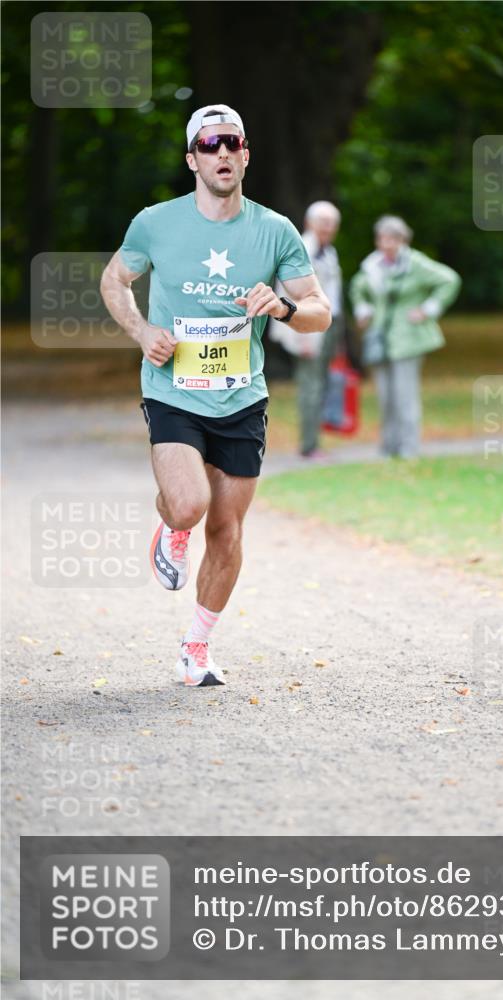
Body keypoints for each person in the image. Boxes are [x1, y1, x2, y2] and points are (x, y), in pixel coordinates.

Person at [100, 104, 331, 687]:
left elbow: (320, 312)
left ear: (246, 154)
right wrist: (142, 332)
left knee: (227, 530)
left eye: (232, 142)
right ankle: (172, 527)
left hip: (242, 398)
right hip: (173, 390)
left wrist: (283, 307)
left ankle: (196, 647)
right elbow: (115, 279)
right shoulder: (155, 223)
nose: (222, 152)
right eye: (209, 145)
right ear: (192, 160)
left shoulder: (275, 230)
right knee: (189, 503)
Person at [350, 215, 461, 459]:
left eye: (393, 239)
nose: (387, 244)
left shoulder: (415, 264)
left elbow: (450, 280)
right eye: (382, 239)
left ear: (403, 240)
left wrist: (428, 309)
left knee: (405, 396)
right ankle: (388, 448)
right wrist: (362, 308)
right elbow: (357, 287)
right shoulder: (372, 266)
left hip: (408, 339)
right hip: (380, 339)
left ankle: (409, 448)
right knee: (385, 397)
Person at [269, 200, 344, 458]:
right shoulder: (301, 248)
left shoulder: (328, 251)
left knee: (319, 384)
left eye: (332, 223)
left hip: (328, 326)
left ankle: (314, 442)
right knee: (310, 386)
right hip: (306, 328)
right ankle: (309, 446)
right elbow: (287, 293)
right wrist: (301, 336)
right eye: (323, 222)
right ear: (309, 222)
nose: (328, 228)